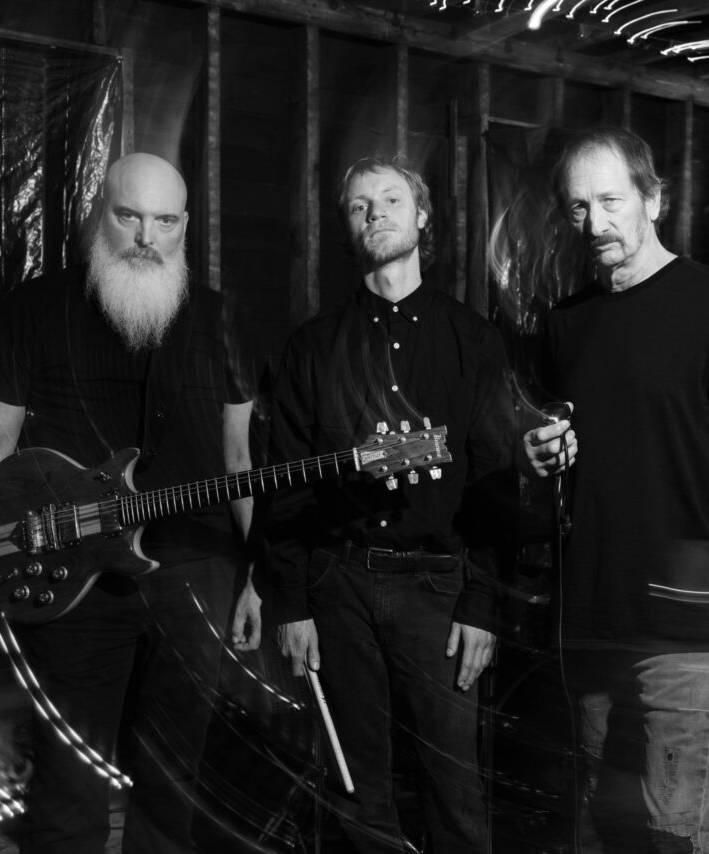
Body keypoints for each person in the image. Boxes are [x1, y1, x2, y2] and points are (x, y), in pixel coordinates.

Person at [0, 153, 261, 854]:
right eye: (128, 215)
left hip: (195, 577)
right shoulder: (34, 308)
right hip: (72, 583)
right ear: (97, 216)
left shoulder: (221, 318)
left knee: (174, 793)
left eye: (165, 221)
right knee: (66, 793)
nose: (146, 236)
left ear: (184, 226)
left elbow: (241, 458)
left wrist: (260, 575)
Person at [522, 128, 709, 854]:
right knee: (604, 829)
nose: (595, 223)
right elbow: (566, 464)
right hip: (590, 620)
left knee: (678, 832)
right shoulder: (564, 324)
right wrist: (538, 455)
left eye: (612, 201)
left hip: (685, 619)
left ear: (653, 200)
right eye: (579, 207)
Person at [267, 155, 514, 854]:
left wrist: (482, 605)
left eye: (391, 199)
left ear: (422, 216)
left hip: (437, 586)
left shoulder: (473, 341)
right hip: (336, 583)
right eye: (359, 205)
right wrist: (291, 601)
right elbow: (284, 480)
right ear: (348, 228)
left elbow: (496, 483)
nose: (375, 213)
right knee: (355, 789)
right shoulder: (312, 346)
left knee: (454, 789)